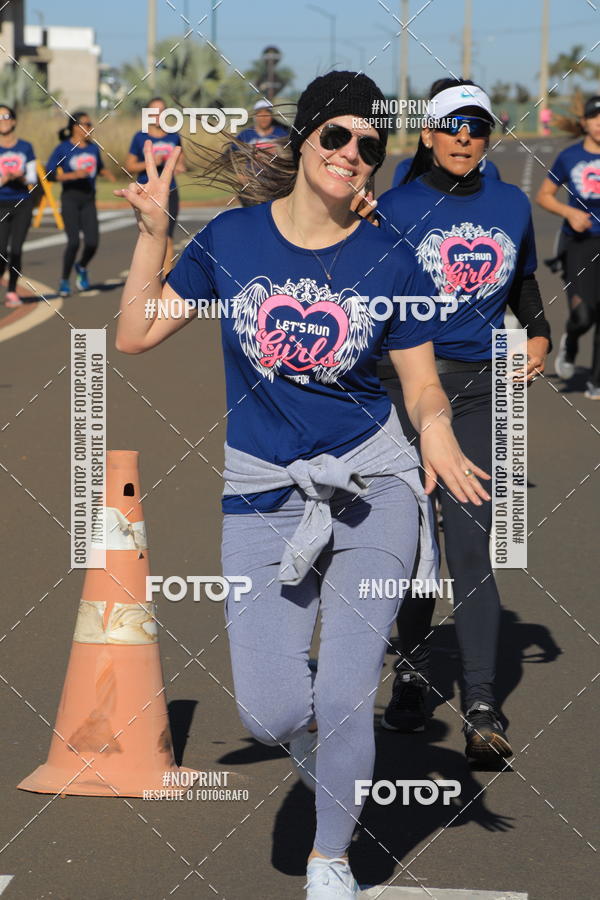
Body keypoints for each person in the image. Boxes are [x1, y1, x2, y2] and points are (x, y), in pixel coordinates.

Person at [114, 71, 490, 899]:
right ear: (305, 139)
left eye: (369, 143)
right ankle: (333, 746)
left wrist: (432, 428)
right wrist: (152, 235)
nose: (354, 153)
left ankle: (330, 859)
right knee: (273, 712)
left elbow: (421, 384)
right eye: (337, 136)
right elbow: (134, 334)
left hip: (375, 484)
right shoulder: (233, 239)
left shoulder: (391, 256)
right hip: (261, 491)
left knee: (348, 687)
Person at [373, 79, 551, 763]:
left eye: (477, 127)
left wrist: (539, 338)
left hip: (478, 393)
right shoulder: (392, 207)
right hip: (404, 394)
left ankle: (481, 703)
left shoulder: (509, 204)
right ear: (427, 133)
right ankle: (412, 682)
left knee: (471, 546)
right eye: (452, 126)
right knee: (417, 551)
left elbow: (526, 283)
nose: (465, 137)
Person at [536, 95, 600, 400]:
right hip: (579, 244)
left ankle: (597, 380)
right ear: (585, 123)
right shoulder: (569, 157)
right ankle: (571, 341)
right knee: (584, 314)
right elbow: (544, 196)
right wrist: (570, 212)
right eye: (595, 117)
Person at [46, 112, 116, 297]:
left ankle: (82, 266)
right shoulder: (63, 148)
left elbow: (98, 167)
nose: (90, 127)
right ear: (75, 127)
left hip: (88, 199)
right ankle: (64, 281)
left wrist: (106, 173)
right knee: (74, 241)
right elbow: (50, 173)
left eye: (90, 123)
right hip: (70, 198)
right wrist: (72, 175)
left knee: (92, 242)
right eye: (86, 124)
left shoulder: (93, 149)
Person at [126, 97, 186, 275]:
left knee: (167, 236)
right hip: (146, 192)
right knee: (149, 236)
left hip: (169, 191)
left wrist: (178, 167)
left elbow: (182, 161)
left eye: (161, 111)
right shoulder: (140, 137)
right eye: (154, 112)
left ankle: (166, 278)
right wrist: (152, 162)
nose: (158, 115)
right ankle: (148, 276)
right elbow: (130, 165)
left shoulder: (174, 136)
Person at [0, 105, 36, 307]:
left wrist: (20, 176)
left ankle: (12, 291)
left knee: (16, 250)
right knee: (1, 250)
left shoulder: (25, 147)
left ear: (14, 120)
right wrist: (4, 179)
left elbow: (32, 176)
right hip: (0, 203)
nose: (3, 120)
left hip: (22, 202)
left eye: (6, 116)